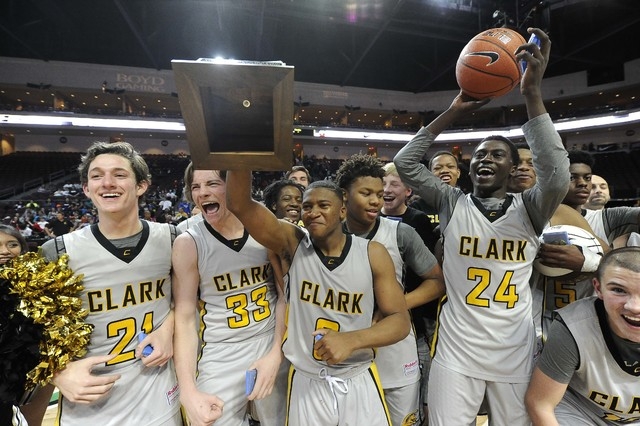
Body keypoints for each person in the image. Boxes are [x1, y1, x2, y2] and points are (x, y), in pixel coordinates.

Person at [394, 28, 570, 425]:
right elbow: (406, 164)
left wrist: (531, 94)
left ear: (514, 168)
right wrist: (455, 110)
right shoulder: (452, 201)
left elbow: (557, 176)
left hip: (514, 349)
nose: (484, 159)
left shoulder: (530, 208)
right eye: (477, 155)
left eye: (496, 154)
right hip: (457, 351)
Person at [226, 171, 411, 426]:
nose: (313, 212)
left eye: (323, 205)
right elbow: (238, 205)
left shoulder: (372, 252)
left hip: (357, 377)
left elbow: (400, 321)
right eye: (307, 207)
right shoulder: (292, 244)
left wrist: (352, 340)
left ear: (342, 211)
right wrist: (238, 152)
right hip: (306, 380)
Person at [40, 141, 183, 426]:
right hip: (89, 403)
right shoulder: (57, 251)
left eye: (119, 174)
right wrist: (58, 374)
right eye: (96, 176)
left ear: (141, 185)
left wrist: (168, 328)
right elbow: (31, 334)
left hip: (160, 394)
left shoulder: (172, 238)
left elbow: (190, 302)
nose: (107, 183)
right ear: (86, 189)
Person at [172, 164, 286, 426]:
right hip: (222, 350)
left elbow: (284, 295)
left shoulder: (263, 227)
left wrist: (276, 352)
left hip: (269, 339)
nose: (202, 193)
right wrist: (188, 389)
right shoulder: (188, 242)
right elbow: (186, 316)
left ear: (234, 186)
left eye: (212, 184)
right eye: (196, 187)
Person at [336, 154, 444, 426]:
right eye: (366, 193)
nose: (376, 199)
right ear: (344, 196)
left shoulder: (401, 232)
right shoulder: (328, 235)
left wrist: (396, 307)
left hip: (397, 352)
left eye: (379, 191)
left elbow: (437, 282)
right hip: (346, 352)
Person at [525, 247, 640, 425]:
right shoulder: (573, 327)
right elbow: (540, 404)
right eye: (618, 290)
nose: (634, 306)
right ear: (598, 288)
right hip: (581, 412)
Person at [562, 151, 639, 246]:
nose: (583, 183)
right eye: (572, 178)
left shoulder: (606, 218)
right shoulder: (540, 219)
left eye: (587, 178)